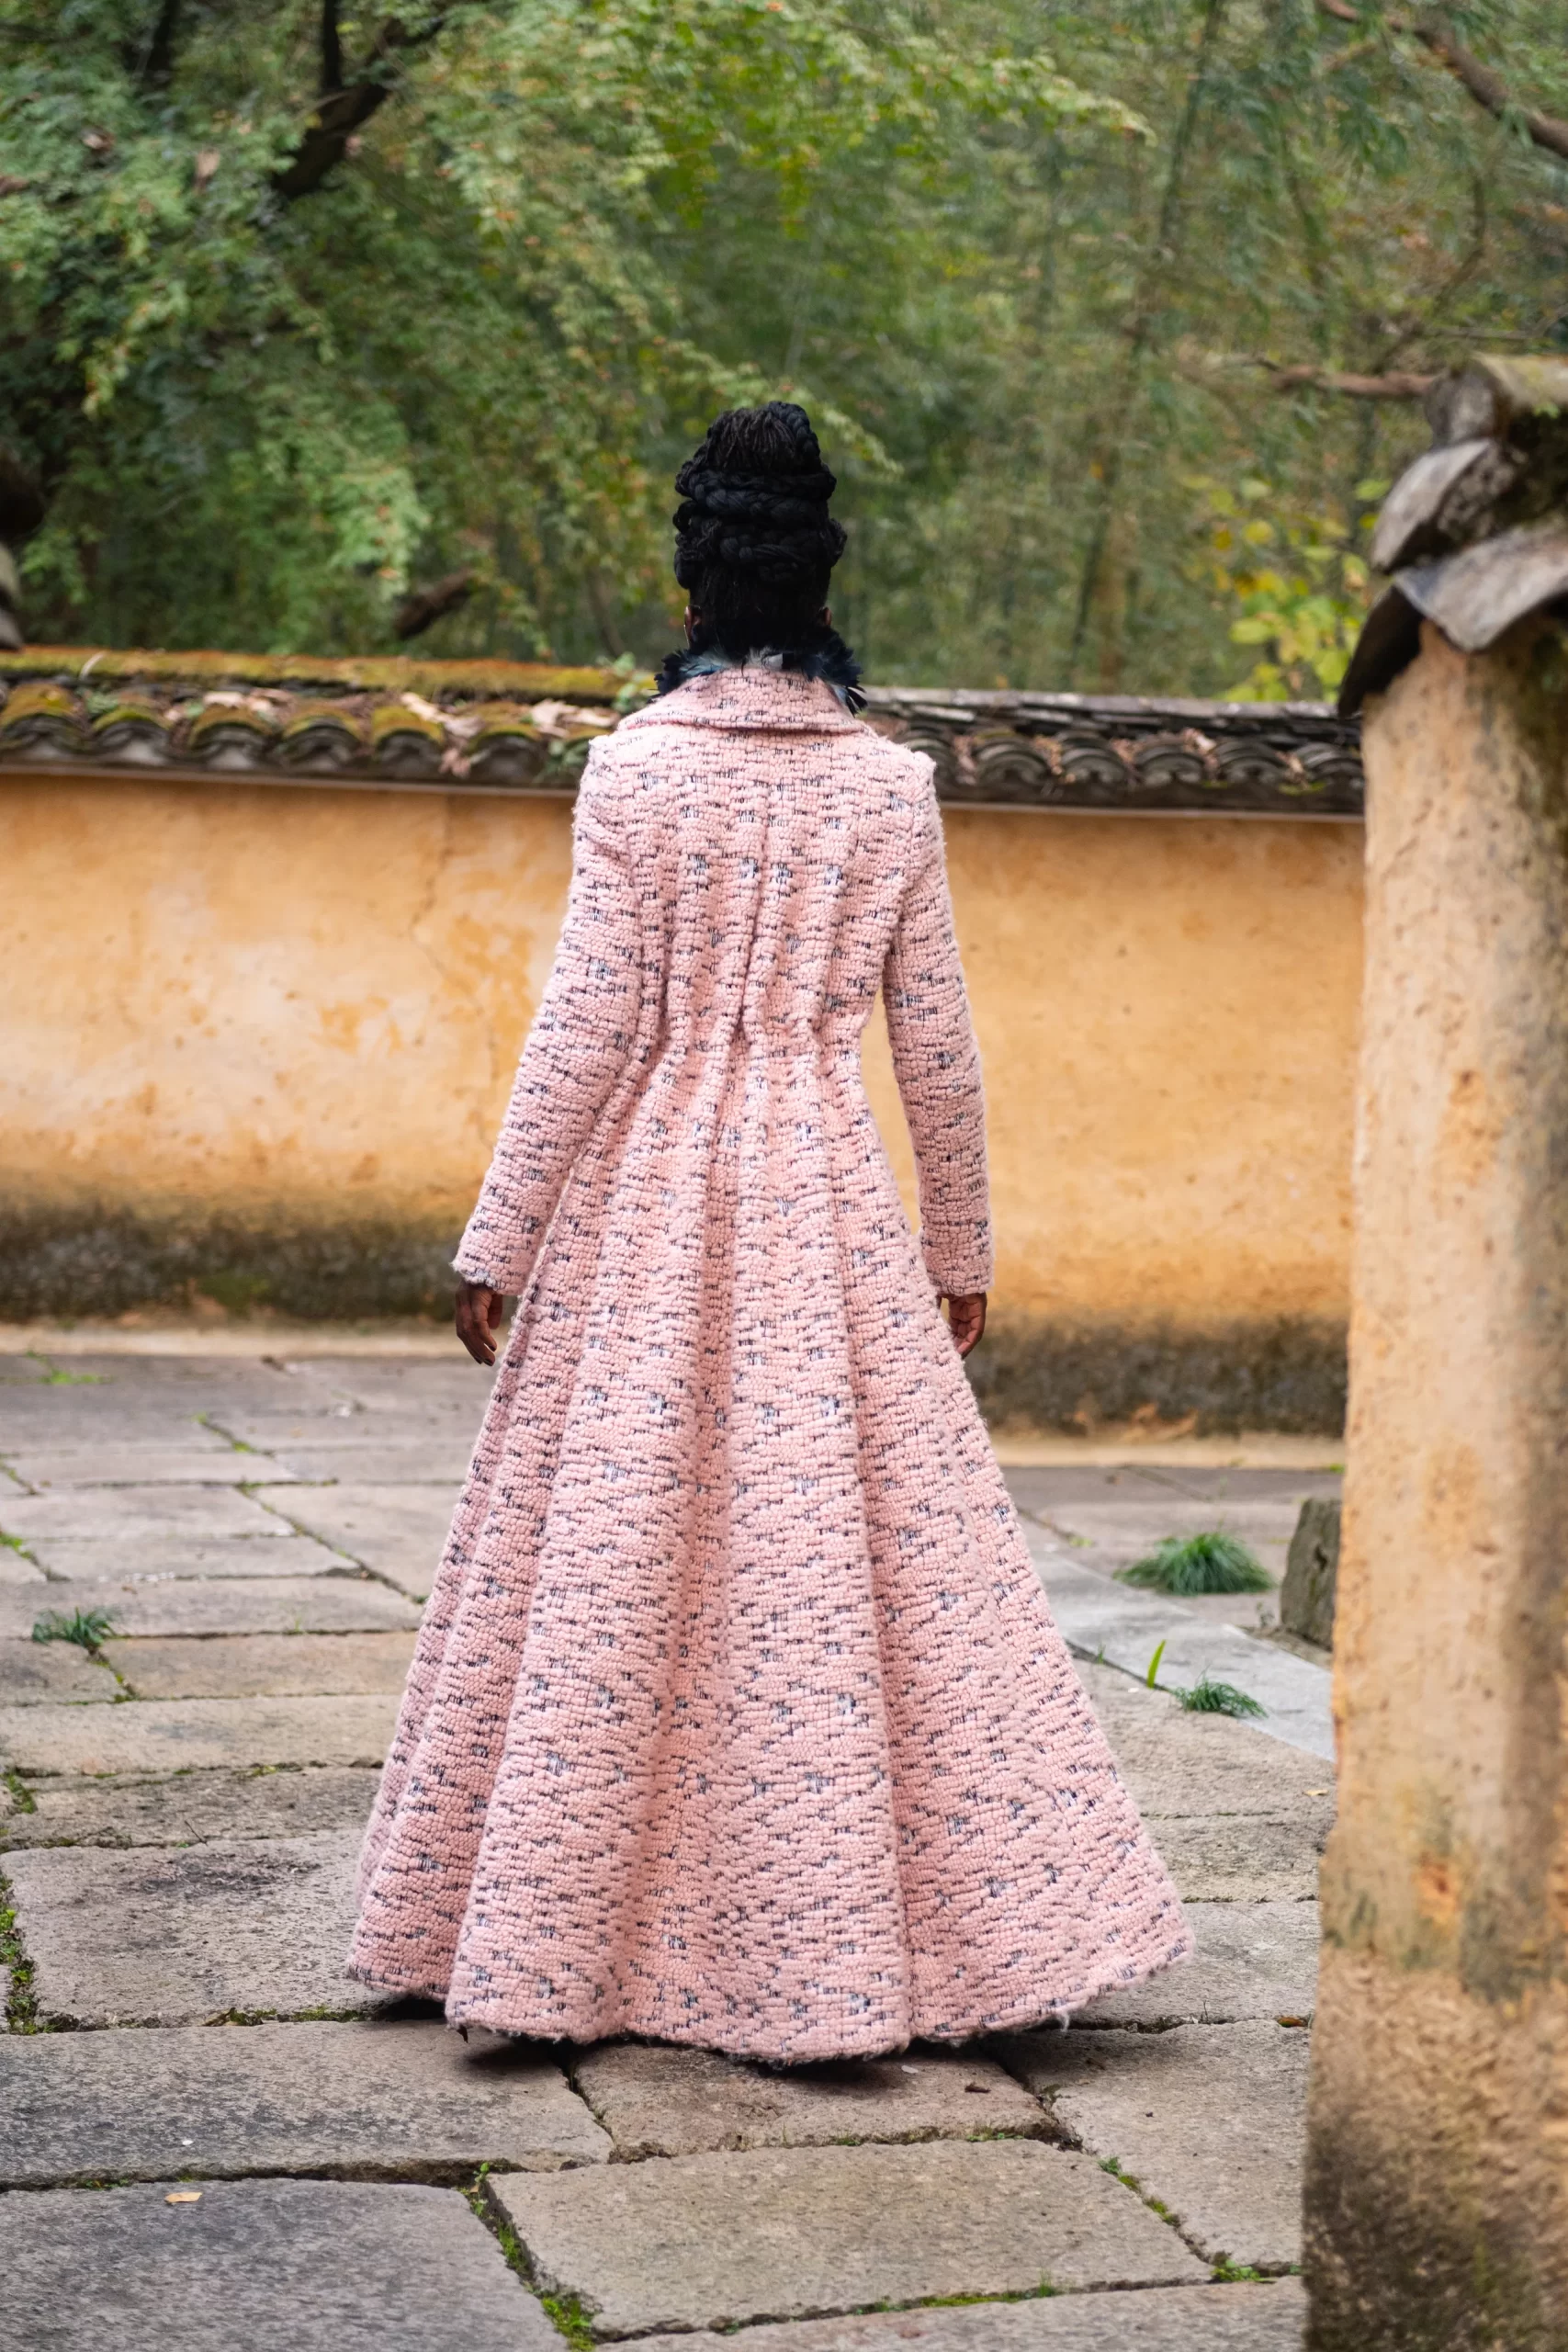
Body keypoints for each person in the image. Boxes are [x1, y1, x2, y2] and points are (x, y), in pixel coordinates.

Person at [349, 401, 1188, 2058]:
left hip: (644, 1204)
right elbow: (932, 1037)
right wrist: (959, 1252)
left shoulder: (633, 775)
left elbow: (586, 1025)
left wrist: (499, 1235)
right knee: (835, 1564)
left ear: (691, 589)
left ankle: (553, 1938)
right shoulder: (888, 789)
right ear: (819, 584)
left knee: (615, 1557)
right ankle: (854, 1936)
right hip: (822, 1193)